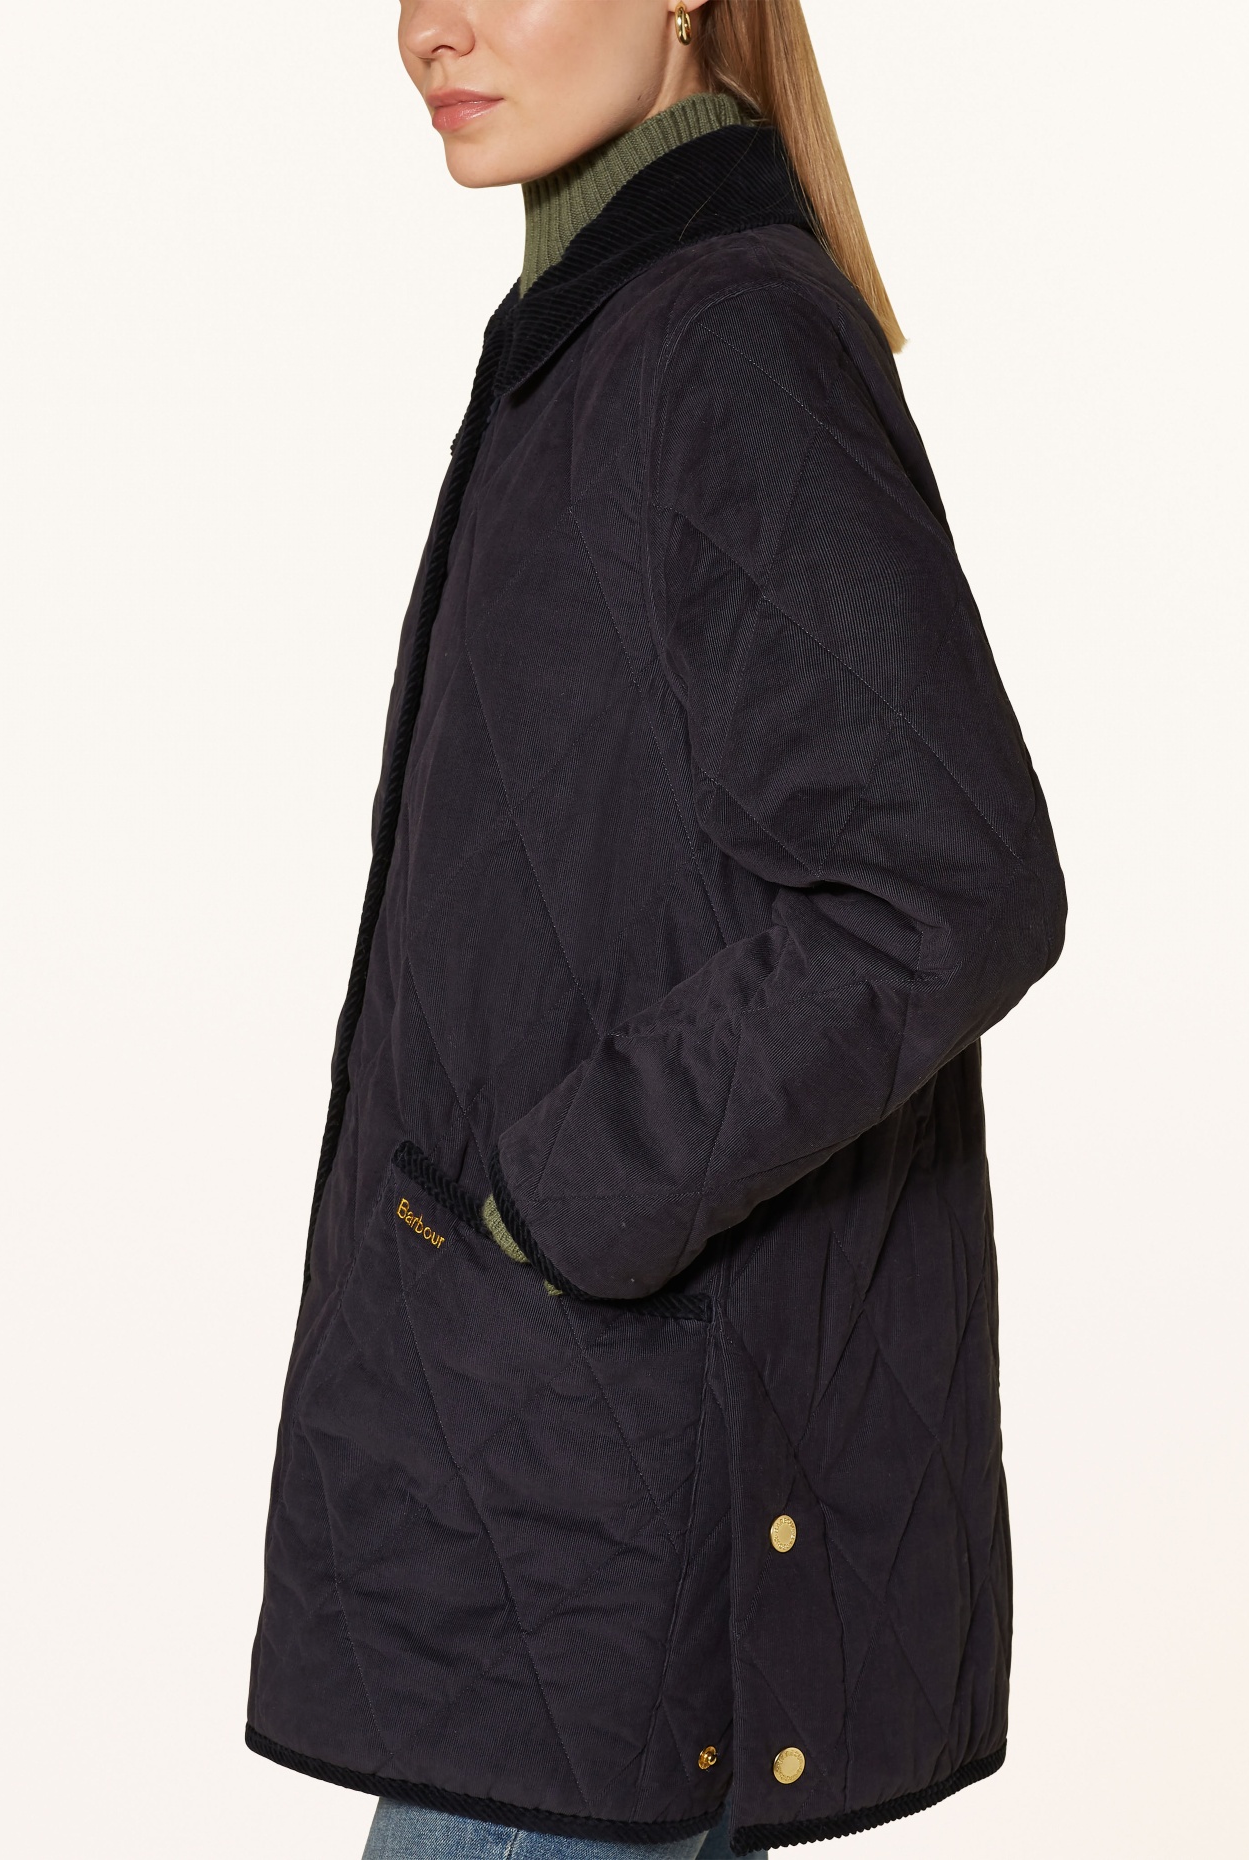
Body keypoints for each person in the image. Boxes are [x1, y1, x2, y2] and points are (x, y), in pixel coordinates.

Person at [246, 3, 1067, 1857]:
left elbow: (949, 884)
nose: (430, 29)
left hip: (613, 1542)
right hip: (547, 1511)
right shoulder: (602, 333)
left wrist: (560, 1206)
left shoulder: (720, 341)